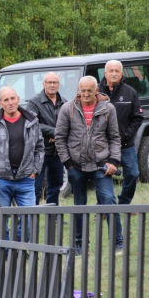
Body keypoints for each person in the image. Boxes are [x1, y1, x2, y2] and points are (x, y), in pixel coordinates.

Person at [55, 76, 123, 256]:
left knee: (108, 200)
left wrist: (114, 162)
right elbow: (60, 139)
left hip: (102, 164)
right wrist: (68, 164)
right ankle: (80, 245)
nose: (85, 94)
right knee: (79, 205)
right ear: (78, 90)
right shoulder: (67, 109)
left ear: (96, 90)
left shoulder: (108, 108)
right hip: (76, 166)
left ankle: (118, 242)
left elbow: (115, 138)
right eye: (82, 90)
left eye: (89, 91)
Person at [0, 87, 44, 247]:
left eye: (13, 98)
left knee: (29, 219)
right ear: (0, 103)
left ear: (18, 99)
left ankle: (20, 248)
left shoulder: (31, 120)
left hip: (26, 179)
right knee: (1, 219)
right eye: (6, 100)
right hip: (0, 180)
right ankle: (5, 252)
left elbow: (40, 147)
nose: (10, 103)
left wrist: (35, 170)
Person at [98, 60, 143, 205]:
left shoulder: (130, 92)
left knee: (133, 173)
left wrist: (126, 135)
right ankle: (104, 207)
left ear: (122, 74)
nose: (114, 74)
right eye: (110, 71)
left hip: (125, 145)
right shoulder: (95, 92)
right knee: (101, 175)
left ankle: (123, 203)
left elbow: (137, 117)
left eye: (117, 71)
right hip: (102, 145)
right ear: (104, 73)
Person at [27, 72, 68, 206]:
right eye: (49, 82)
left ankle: (53, 216)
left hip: (58, 151)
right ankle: (33, 216)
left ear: (58, 84)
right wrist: (55, 132)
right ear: (43, 84)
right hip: (40, 151)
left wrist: (58, 136)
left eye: (54, 82)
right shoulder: (34, 101)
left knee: (56, 185)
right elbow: (33, 123)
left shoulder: (65, 102)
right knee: (36, 187)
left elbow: (70, 123)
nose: (52, 85)